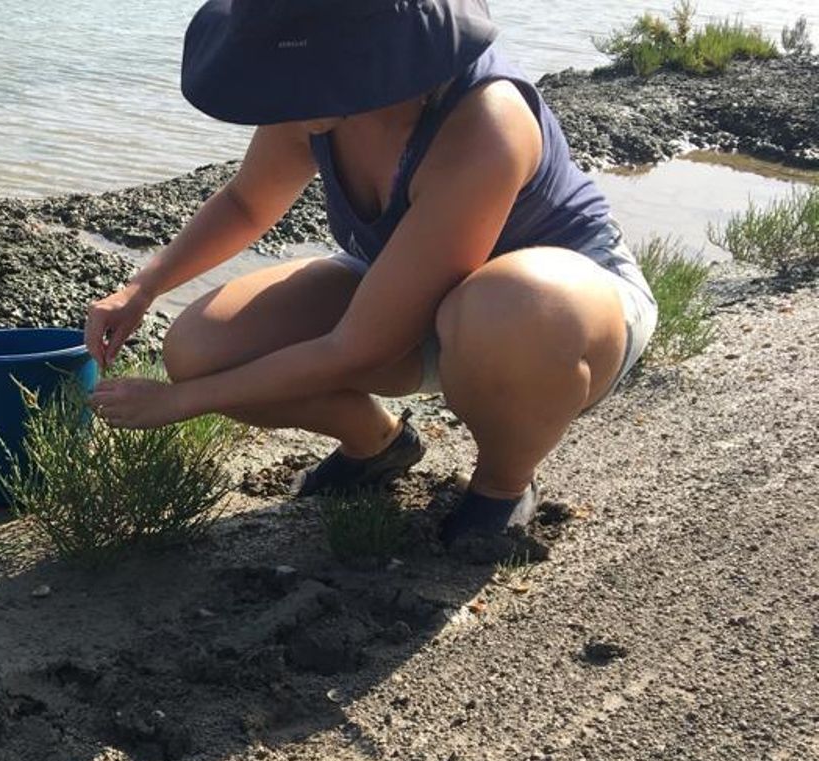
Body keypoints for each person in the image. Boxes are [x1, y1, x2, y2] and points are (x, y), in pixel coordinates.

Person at [83, 0, 657, 547]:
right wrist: (142, 287)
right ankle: (376, 445)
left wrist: (182, 403)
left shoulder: (484, 121)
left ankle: (502, 485)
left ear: (382, 45)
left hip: (556, 316)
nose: (290, 87)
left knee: (510, 303)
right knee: (201, 349)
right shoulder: (312, 97)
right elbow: (246, 203)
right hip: (402, 291)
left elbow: (356, 349)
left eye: (315, 62)